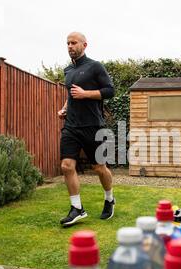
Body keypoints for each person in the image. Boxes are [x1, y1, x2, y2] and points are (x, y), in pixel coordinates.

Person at [57, 32, 115, 226]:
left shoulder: (95, 66)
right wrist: (65, 108)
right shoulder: (67, 71)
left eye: (73, 43)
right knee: (66, 165)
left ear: (84, 45)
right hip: (71, 126)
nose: (70, 46)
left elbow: (110, 91)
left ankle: (109, 198)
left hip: (93, 126)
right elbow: (72, 95)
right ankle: (77, 208)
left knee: (99, 167)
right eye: (67, 43)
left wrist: (85, 94)